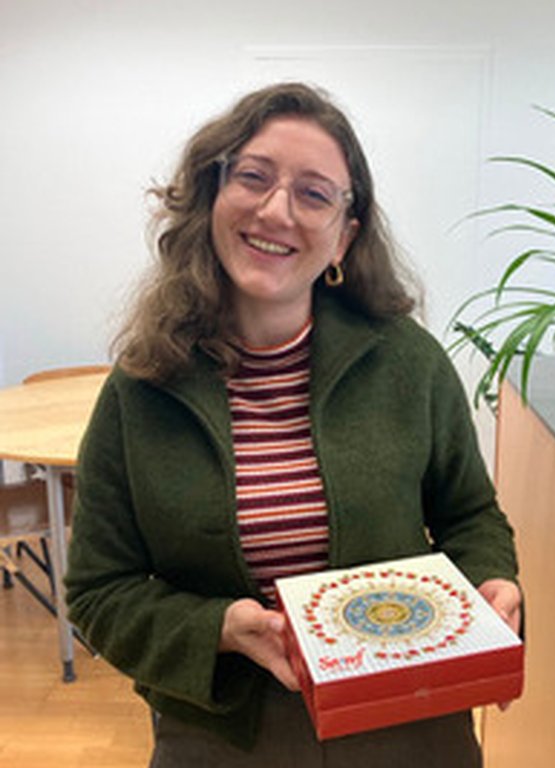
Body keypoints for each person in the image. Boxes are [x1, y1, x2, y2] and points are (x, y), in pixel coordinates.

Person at [65, 81, 522, 767]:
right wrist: (217, 628)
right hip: (223, 735)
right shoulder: (141, 391)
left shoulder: (409, 363)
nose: (277, 209)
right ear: (212, 197)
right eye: (253, 177)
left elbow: (470, 514)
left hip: (409, 722)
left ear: (346, 234)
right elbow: (100, 592)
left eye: (314, 194)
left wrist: (494, 582)